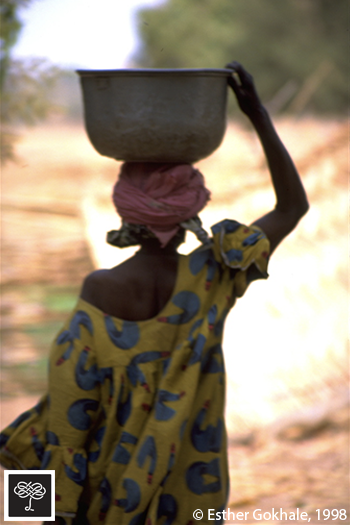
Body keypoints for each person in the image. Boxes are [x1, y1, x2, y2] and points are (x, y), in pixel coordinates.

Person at [0, 62, 308, 525]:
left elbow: (64, 422)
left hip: (106, 506)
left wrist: (34, 517)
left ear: (126, 212)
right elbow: (292, 206)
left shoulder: (100, 290)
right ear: (191, 213)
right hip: (193, 498)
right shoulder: (216, 275)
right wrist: (257, 114)